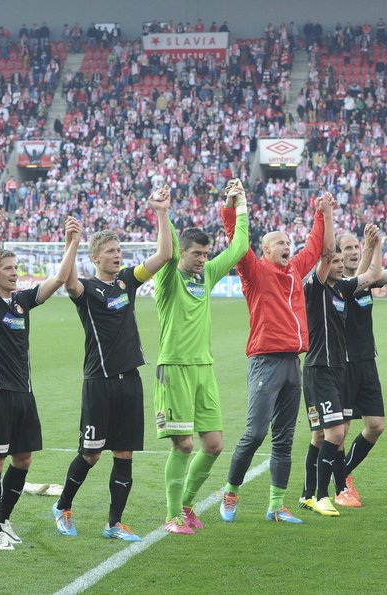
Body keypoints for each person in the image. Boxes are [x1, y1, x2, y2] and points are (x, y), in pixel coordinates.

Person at [52, 188, 173, 542]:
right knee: (90, 454)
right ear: (95, 257)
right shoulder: (86, 289)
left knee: (124, 454)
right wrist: (71, 241)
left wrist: (161, 212)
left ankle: (114, 523)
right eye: (110, 251)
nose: (117, 255)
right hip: (99, 381)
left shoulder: (127, 282)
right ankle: (62, 507)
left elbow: (164, 254)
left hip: (129, 379)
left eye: (119, 251)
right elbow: (64, 280)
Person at [219, 193, 331, 524]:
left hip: (292, 364)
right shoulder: (254, 271)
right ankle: (231, 490)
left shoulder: (295, 269)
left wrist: (320, 213)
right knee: (255, 434)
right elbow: (235, 242)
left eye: (287, 242)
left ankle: (276, 505)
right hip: (265, 362)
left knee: (284, 438)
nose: (286, 246)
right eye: (279, 243)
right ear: (266, 250)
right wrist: (232, 207)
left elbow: (313, 246)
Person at [0, 215, 82, 550]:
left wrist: (73, 241)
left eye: (15, 267)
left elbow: (60, 278)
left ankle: (3, 518)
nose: (13, 272)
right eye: (8, 267)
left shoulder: (21, 302)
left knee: (23, 460)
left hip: (24, 392)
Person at [153, 180, 250, 535]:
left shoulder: (206, 276)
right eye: (197, 254)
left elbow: (239, 246)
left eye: (206, 255)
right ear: (183, 253)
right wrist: (163, 213)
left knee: (213, 444)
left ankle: (188, 505)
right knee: (184, 443)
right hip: (175, 366)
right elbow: (167, 248)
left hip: (204, 368)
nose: (203, 260)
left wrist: (239, 204)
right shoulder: (167, 277)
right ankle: (172, 515)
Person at [299, 223, 382, 516]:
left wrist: (375, 244)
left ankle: (307, 494)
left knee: (322, 436)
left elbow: (370, 275)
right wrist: (327, 214)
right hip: (318, 370)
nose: (337, 264)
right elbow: (326, 254)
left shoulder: (341, 289)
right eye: (332, 260)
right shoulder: (316, 287)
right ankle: (324, 494)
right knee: (335, 433)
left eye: (338, 261)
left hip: (336, 371)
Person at [336, 227, 387, 505]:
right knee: (339, 430)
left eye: (357, 247)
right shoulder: (335, 283)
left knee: (376, 425)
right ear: (337, 255)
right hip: (343, 363)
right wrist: (372, 246)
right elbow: (367, 276)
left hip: (367, 361)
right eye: (347, 248)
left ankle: (343, 474)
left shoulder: (366, 282)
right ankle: (336, 485)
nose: (354, 252)